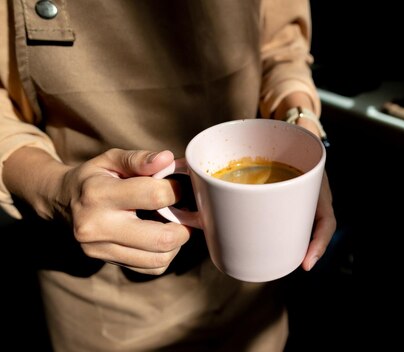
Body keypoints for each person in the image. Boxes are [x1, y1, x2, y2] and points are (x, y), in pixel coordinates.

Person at [0, 1, 336, 351]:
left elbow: (281, 48)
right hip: (100, 297)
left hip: (254, 295)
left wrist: (302, 125)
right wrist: (54, 188)